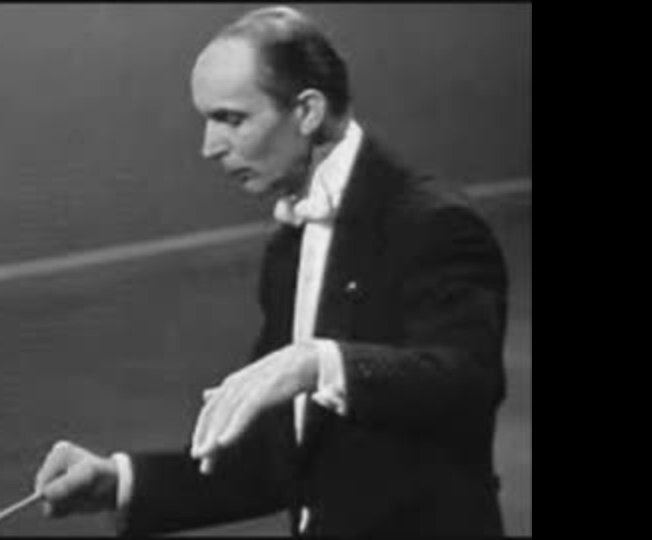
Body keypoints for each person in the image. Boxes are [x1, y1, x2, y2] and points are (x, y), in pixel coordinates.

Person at [33, 5, 508, 536]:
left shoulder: (432, 221)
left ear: (306, 111)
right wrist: (119, 482)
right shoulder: (288, 248)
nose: (209, 147)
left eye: (231, 119)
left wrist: (314, 362)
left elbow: (467, 382)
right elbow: (275, 459)